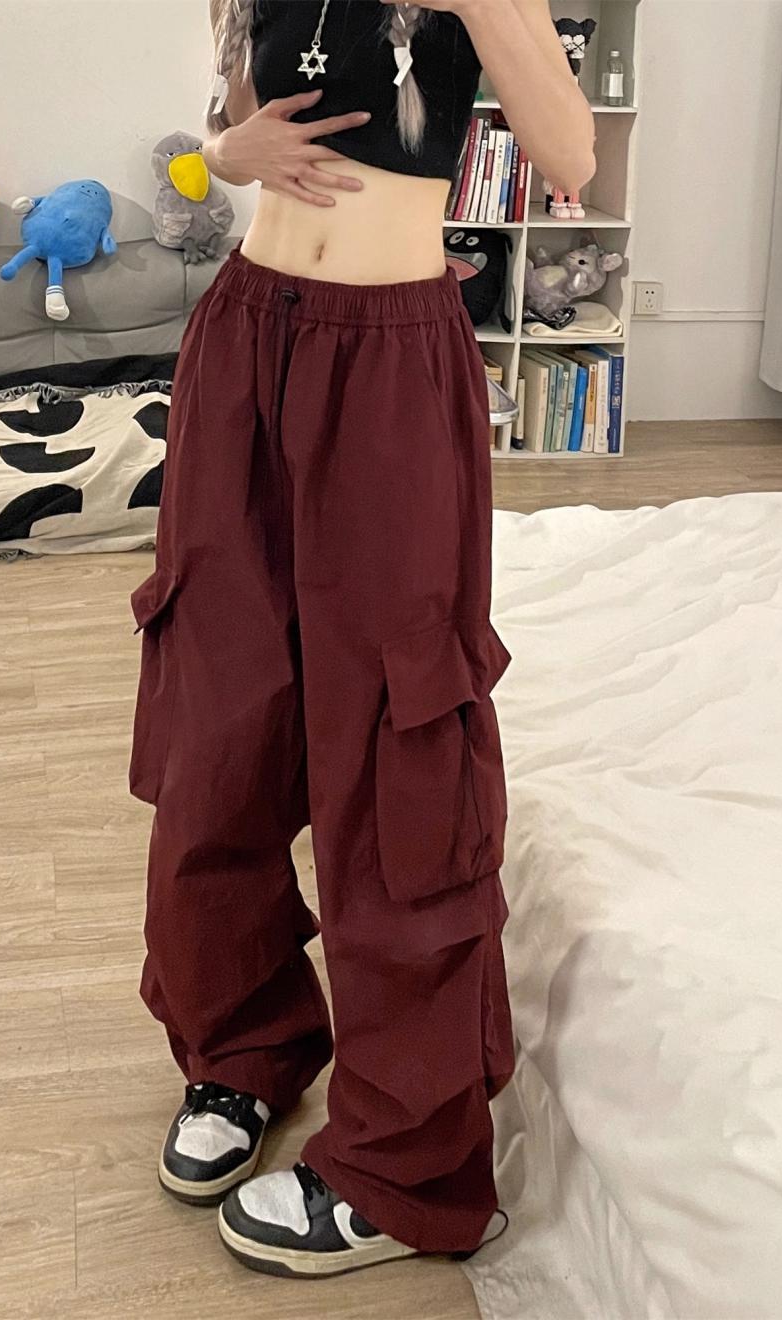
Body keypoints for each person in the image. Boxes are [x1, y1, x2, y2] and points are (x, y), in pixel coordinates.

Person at [128, 0, 595, 1280]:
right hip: (245, 335)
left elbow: (570, 157)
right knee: (221, 708)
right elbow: (233, 129)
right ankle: (241, 1049)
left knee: (400, 733)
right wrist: (227, 155)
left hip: (390, 356)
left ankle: (406, 1157)